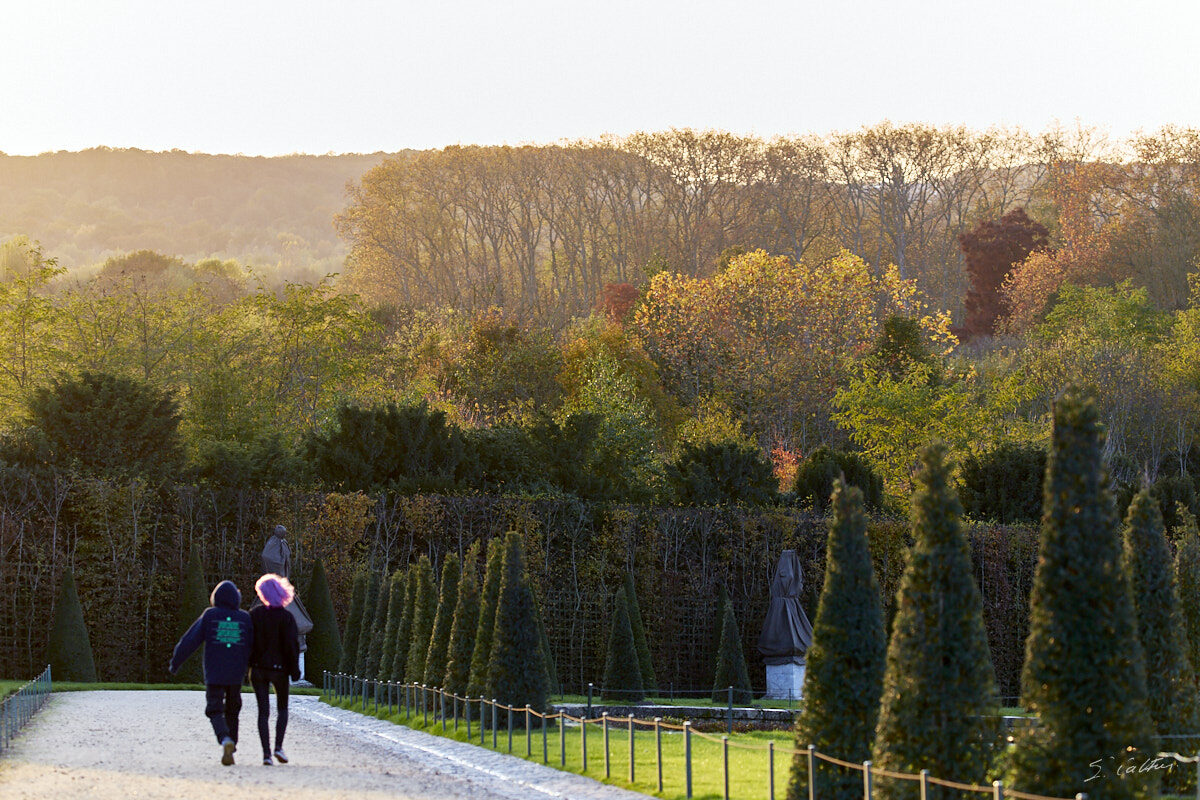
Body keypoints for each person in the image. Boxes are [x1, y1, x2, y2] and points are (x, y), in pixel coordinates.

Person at [170, 580, 253, 766]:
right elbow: (253, 646)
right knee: (233, 708)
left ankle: (224, 738)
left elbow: (190, 640)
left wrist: (176, 662)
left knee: (214, 708)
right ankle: (232, 742)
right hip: (236, 673)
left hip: (215, 673)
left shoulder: (210, 615)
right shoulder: (244, 618)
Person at [249, 573, 301, 766]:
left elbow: (248, 643)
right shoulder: (287, 618)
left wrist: (247, 664)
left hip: (258, 669)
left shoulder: (255, 615)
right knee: (282, 708)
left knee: (263, 712)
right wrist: (295, 671)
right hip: (280, 670)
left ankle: (266, 754)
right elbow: (291, 647)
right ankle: (278, 746)